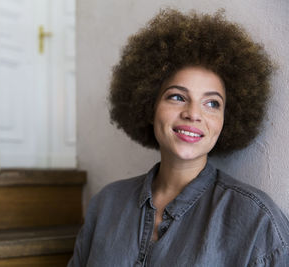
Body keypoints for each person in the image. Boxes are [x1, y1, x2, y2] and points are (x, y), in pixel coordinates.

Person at [68, 9, 289, 267]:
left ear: (227, 119)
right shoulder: (105, 205)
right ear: (149, 106)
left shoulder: (258, 222)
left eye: (212, 103)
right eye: (177, 97)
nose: (193, 113)